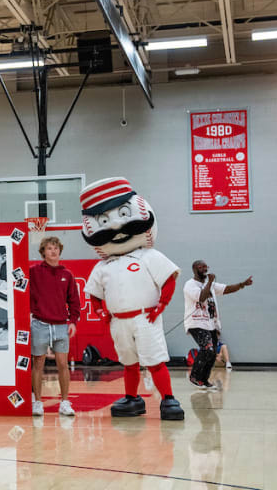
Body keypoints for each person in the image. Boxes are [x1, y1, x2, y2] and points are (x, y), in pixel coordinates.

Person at [80, 177, 184, 420]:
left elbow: (169, 278)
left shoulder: (148, 255)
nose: (116, 227)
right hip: (119, 321)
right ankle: (132, 398)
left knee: (155, 361)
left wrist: (162, 305)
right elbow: (94, 295)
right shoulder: (103, 266)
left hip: (145, 317)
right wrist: (100, 313)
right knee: (129, 363)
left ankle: (168, 399)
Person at [29, 236, 80, 417]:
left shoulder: (67, 275)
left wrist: (73, 321)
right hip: (39, 324)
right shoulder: (33, 272)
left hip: (60, 326)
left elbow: (74, 301)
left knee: (62, 364)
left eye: (56, 248)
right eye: (49, 248)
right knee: (38, 364)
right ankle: (37, 402)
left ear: (60, 251)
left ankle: (65, 403)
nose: (53, 251)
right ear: (43, 252)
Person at [183, 260, 252, 387]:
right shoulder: (190, 285)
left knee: (213, 353)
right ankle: (194, 376)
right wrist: (209, 282)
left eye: (206, 267)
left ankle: (203, 379)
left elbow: (227, 289)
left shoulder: (212, 286)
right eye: (201, 267)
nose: (204, 269)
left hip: (211, 324)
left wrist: (243, 284)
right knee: (207, 348)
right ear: (194, 269)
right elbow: (201, 297)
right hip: (196, 322)